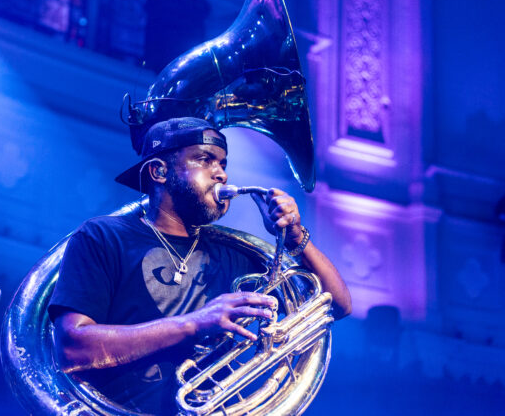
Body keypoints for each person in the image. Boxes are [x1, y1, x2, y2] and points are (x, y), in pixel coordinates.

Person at [49, 117, 351, 414]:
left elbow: (335, 305)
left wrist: (295, 235)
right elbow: (72, 348)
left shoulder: (234, 254)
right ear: (159, 171)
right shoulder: (104, 236)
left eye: (223, 164)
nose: (220, 174)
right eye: (205, 160)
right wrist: (196, 322)